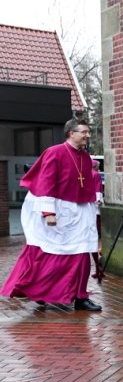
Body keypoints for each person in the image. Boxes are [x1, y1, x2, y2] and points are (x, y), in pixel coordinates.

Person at [1, 119, 102, 311]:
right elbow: (45, 183)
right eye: (84, 132)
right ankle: (40, 291)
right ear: (71, 133)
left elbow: (86, 184)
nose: (88, 135)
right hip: (59, 211)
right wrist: (48, 213)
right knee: (50, 253)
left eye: (88, 132)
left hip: (81, 213)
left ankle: (81, 297)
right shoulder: (54, 153)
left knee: (81, 254)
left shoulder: (86, 158)